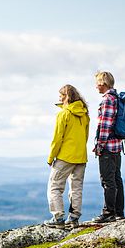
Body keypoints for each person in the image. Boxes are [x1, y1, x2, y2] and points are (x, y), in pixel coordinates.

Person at [44, 84, 90, 228]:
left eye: (60, 96)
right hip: (81, 156)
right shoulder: (84, 115)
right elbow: (85, 137)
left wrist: (51, 157)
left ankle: (58, 217)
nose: (59, 98)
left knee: (55, 186)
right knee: (76, 187)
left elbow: (57, 138)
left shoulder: (63, 114)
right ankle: (74, 218)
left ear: (66, 97)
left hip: (65, 156)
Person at [92, 71, 124, 223]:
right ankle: (119, 212)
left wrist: (99, 145)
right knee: (117, 179)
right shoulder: (117, 98)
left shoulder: (107, 100)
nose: (96, 86)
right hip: (117, 145)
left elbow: (105, 125)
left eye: (97, 83)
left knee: (107, 180)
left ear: (103, 83)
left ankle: (108, 213)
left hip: (108, 147)